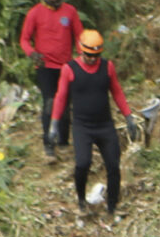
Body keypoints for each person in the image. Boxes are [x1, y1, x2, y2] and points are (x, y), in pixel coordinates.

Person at [49, 28, 134, 219]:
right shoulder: (69, 69)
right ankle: (81, 200)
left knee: (113, 165)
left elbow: (117, 92)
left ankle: (112, 207)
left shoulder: (107, 67)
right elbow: (61, 98)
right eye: (88, 55)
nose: (92, 59)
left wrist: (128, 116)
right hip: (82, 127)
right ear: (81, 50)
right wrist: (54, 124)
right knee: (82, 164)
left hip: (105, 125)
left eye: (96, 55)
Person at [18, 0, 82, 159]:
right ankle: (48, 145)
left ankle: (63, 142)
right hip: (45, 67)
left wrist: (82, 58)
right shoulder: (34, 14)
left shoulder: (70, 12)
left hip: (66, 66)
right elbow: (24, 39)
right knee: (50, 103)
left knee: (65, 105)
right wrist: (32, 53)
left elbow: (79, 37)